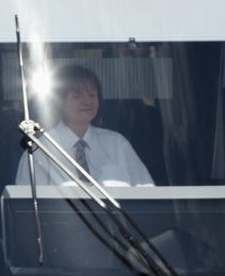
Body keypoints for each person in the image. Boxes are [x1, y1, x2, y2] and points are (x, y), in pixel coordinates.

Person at [15, 63, 154, 188]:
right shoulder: (40, 150)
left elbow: (148, 195)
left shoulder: (117, 144)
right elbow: (28, 208)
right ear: (59, 102)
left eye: (93, 95)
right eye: (77, 96)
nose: (87, 101)